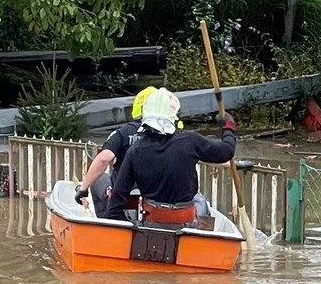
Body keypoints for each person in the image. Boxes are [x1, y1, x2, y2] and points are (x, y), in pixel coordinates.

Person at [106, 87, 237, 229]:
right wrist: (228, 127)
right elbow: (226, 151)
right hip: (186, 225)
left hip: (151, 224)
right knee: (201, 202)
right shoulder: (190, 141)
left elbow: (115, 203)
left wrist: (130, 230)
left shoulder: (135, 151)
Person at [74, 86, 157, 217]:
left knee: (99, 178)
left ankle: (107, 223)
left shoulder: (123, 132)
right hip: (159, 198)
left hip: (124, 197)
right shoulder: (172, 137)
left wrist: (83, 189)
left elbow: (103, 159)